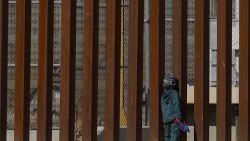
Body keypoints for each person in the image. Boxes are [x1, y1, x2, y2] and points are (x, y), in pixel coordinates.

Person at [161, 76, 181, 141]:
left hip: (166, 119)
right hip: (174, 119)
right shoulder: (174, 93)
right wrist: (178, 117)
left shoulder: (163, 95)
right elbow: (176, 104)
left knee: (167, 136)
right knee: (174, 134)